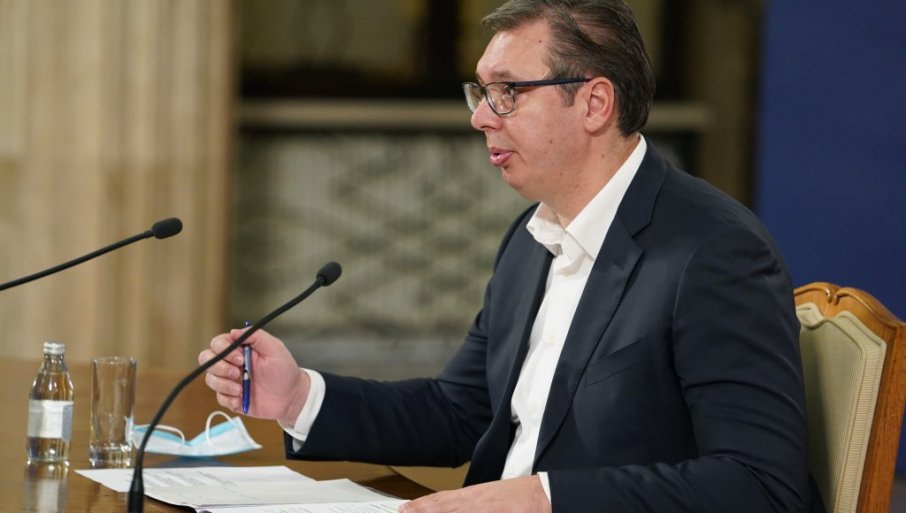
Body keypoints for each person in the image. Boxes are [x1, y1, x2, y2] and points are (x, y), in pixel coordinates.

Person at [200, 1, 823, 512]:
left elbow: (759, 485)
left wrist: (542, 498)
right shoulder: (531, 236)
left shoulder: (715, 251)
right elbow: (460, 413)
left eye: (507, 92)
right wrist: (298, 397)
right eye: (480, 91)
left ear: (595, 104)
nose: (480, 118)